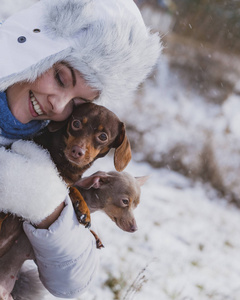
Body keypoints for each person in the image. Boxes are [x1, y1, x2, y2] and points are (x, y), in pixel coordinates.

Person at [0, 0, 161, 298]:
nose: (58, 105)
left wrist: (48, 207)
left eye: (75, 105)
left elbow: (74, 282)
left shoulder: (49, 155)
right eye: (61, 78)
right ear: (31, 46)